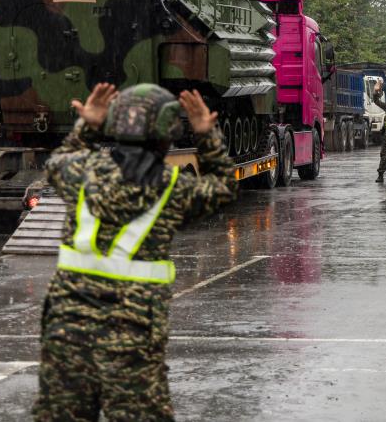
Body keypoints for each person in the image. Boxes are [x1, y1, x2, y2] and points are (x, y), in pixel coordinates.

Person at [34, 82, 235, 421]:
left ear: (114, 124)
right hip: (132, 340)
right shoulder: (174, 189)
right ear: (167, 132)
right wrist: (206, 134)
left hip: (67, 334)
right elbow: (225, 186)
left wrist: (87, 126)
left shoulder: (79, 173)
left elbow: (57, 161)